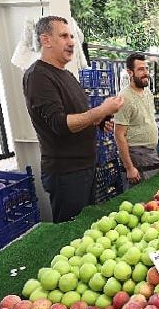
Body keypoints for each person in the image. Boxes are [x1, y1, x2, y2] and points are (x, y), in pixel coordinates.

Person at [23, 16, 123, 223]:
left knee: (88, 229)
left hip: (85, 167)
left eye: (71, 36)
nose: (71, 42)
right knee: (70, 235)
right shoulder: (38, 76)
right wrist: (100, 110)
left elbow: (80, 115)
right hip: (66, 173)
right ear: (45, 40)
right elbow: (60, 124)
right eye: (63, 36)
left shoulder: (68, 76)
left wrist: (101, 119)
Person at [114, 53, 159, 188]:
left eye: (146, 69)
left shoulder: (147, 92)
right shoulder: (124, 98)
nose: (145, 73)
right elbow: (119, 135)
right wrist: (129, 167)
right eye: (141, 69)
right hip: (136, 155)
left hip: (151, 151)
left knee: (154, 196)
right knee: (140, 199)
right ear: (130, 72)